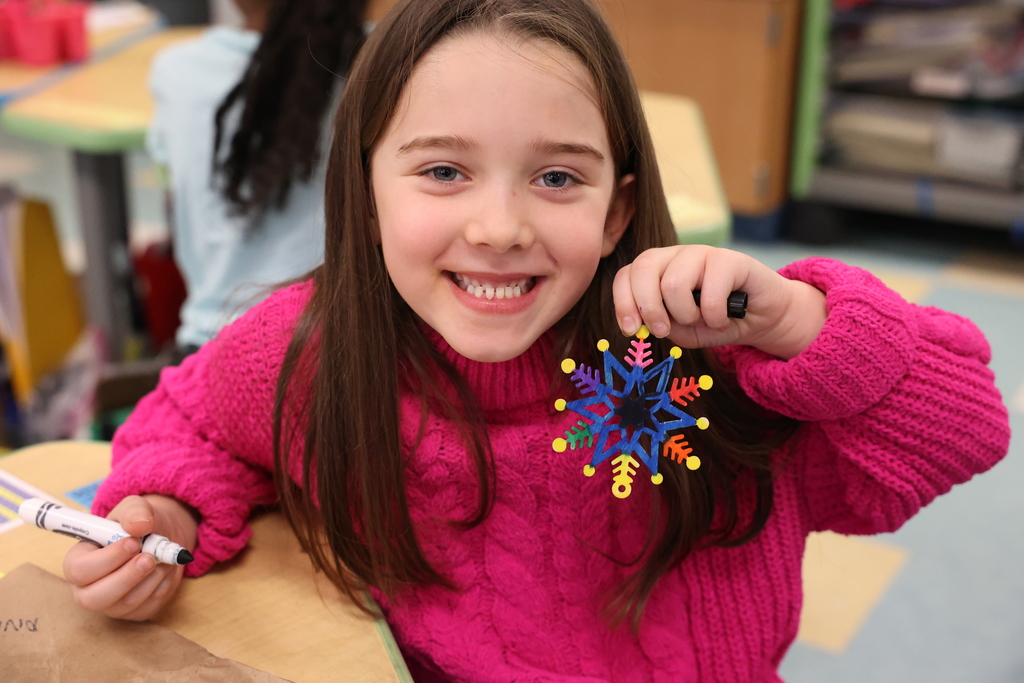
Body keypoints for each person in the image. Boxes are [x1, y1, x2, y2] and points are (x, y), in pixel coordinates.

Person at [64, 0, 1011, 680]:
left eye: (557, 178)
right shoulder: (316, 345)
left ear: (616, 211)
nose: (499, 227)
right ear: (367, 189)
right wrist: (166, 511)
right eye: (444, 171)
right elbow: (190, 422)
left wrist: (797, 321)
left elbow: (964, 428)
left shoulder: (700, 356)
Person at [146, 0, 367, 356]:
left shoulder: (175, 71)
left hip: (211, 343)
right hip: (342, 349)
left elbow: (174, 194)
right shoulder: (377, 64)